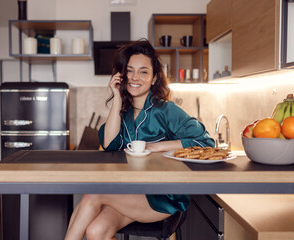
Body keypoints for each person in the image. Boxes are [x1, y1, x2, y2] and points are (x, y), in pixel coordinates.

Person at [64, 40, 215, 240]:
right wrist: (116, 99)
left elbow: (206, 143)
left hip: (163, 197)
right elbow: (109, 144)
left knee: (93, 194)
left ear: (153, 79)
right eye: (130, 71)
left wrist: (155, 147)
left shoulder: (167, 110)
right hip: (130, 192)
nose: (135, 77)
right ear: (122, 75)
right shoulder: (123, 113)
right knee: (95, 231)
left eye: (143, 72)